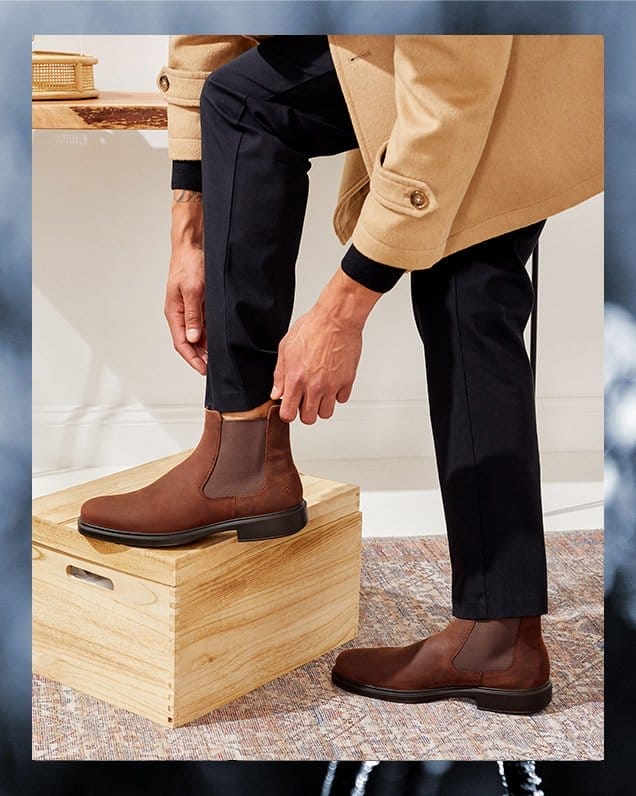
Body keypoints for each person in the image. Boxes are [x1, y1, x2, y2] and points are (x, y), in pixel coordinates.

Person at [78, 34, 603, 715]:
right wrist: (190, 224)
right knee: (244, 97)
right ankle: (242, 457)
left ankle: (496, 637)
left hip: (504, 66)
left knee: (468, 279)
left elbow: (455, 90)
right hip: (428, 58)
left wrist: (342, 307)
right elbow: (215, 32)